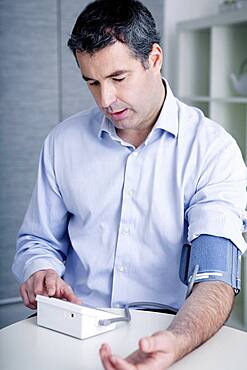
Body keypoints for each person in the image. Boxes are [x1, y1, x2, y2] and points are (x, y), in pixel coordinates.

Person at [12, 0, 247, 369]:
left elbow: (214, 278)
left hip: (168, 331)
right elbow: (38, 240)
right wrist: (41, 270)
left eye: (118, 79)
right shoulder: (62, 142)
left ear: (154, 59)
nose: (106, 99)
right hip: (73, 328)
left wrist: (177, 340)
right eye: (92, 82)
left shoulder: (213, 151)